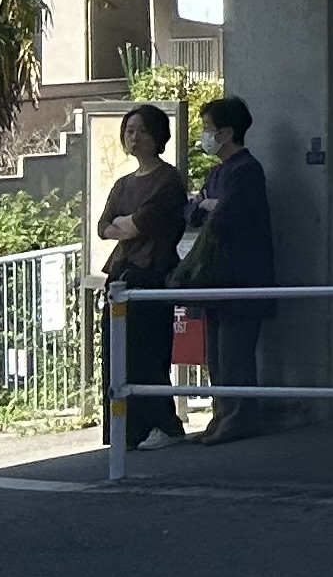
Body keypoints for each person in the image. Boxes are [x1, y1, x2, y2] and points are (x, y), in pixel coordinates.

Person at [97, 102, 189, 451]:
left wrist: (126, 224)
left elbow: (140, 223)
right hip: (121, 274)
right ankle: (125, 430)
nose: (134, 137)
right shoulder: (122, 184)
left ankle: (162, 423)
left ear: (158, 137)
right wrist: (125, 226)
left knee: (148, 352)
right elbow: (104, 226)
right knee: (117, 353)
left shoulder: (168, 179)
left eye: (142, 131)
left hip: (152, 272)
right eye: (129, 131)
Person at [187, 95, 276, 439]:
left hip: (242, 274)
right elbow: (193, 213)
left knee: (235, 354)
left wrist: (207, 204)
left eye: (208, 128)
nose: (204, 135)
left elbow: (225, 217)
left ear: (226, 132)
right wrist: (208, 204)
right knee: (218, 358)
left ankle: (238, 420)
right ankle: (222, 417)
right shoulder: (217, 172)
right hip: (217, 275)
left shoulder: (247, 170)